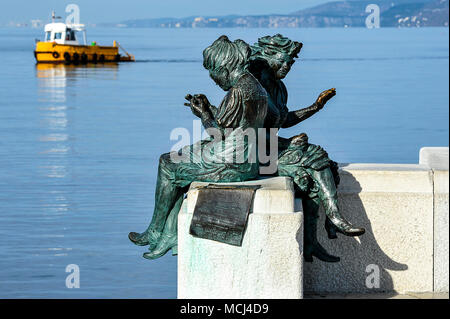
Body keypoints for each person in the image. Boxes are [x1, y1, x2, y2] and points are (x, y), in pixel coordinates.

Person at [129, 35, 268, 260]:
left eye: (213, 72)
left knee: (168, 164)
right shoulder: (254, 87)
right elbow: (232, 124)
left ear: (225, 67)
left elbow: (218, 133)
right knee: (180, 161)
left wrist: (202, 114)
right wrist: (209, 108)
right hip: (248, 160)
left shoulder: (238, 91)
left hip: (231, 164)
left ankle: (155, 230)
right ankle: (168, 234)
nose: (213, 79)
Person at [249, 34, 365, 262]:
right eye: (283, 61)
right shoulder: (253, 89)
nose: (287, 66)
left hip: (272, 148)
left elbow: (282, 120)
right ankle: (334, 218)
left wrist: (316, 106)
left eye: (291, 62)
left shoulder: (279, 89)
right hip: (254, 154)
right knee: (315, 158)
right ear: (267, 56)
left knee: (318, 167)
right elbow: (249, 132)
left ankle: (312, 242)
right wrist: (286, 143)